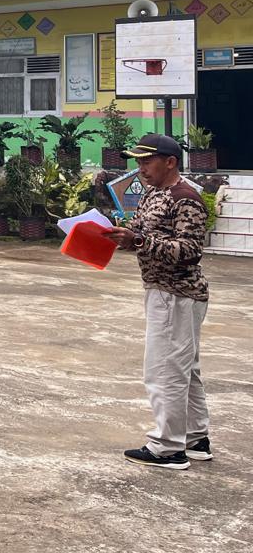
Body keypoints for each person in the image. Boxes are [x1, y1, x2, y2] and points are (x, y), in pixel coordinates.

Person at [104, 134, 213, 470]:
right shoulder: (155, 193)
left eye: (147, 161)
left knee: (165, 371)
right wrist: (120, 235)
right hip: (163, 291)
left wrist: (139, 240)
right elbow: (140, 229)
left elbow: (190, 251)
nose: (141, 169)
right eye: (137, 162)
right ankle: (196, 438)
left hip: (176, 294)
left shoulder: (185, 199)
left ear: (170, 162)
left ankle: (167, 448)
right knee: (186, 369)